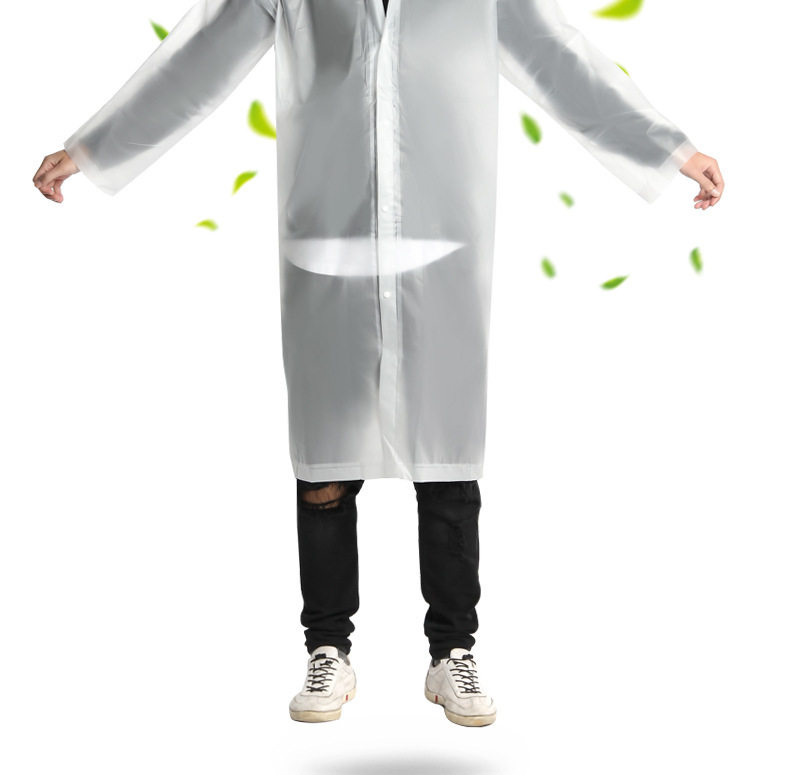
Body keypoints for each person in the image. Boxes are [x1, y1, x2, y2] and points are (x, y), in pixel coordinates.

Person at [32, 0, 724, 728]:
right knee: (325, 457)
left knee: (447, 453)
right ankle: (327, 647)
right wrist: (91, 149)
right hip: (330, 237)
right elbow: (197, 56)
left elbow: (561, 60)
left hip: (443, 241)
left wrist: (670, 150)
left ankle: (452, 651)